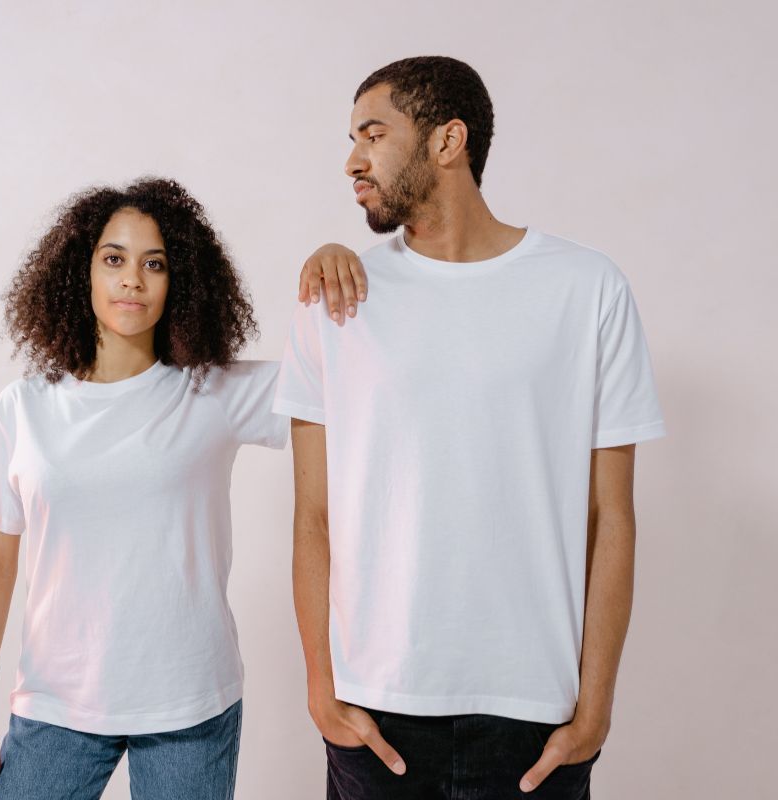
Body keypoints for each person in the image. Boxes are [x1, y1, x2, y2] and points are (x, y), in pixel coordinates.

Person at [278, 56, 667, 799]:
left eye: (373, 134)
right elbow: (313, 515)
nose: (353, 161)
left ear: (447, 140)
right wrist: (322, 690)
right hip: (375, 712)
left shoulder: (586, 289)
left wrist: (596, 707)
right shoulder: (333, 298)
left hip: (534, 719)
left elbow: (610, 515)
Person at [0, 177, 363, 800]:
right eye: (113, 259)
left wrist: (335, 265)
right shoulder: (23, 409)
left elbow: (355, 382)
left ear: (181, 282)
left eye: (154, 264)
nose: (132, 281)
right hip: (56, 706)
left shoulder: (214, 393)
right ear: (78, 272)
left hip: (190, 707)